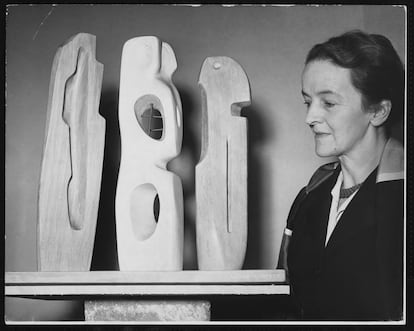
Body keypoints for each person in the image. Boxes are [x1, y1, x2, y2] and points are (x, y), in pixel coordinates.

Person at [278, 30, 404, 320]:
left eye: (329, 103)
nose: (310, 117)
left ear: (378, 111)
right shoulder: (308, 197)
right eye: (308, 101)